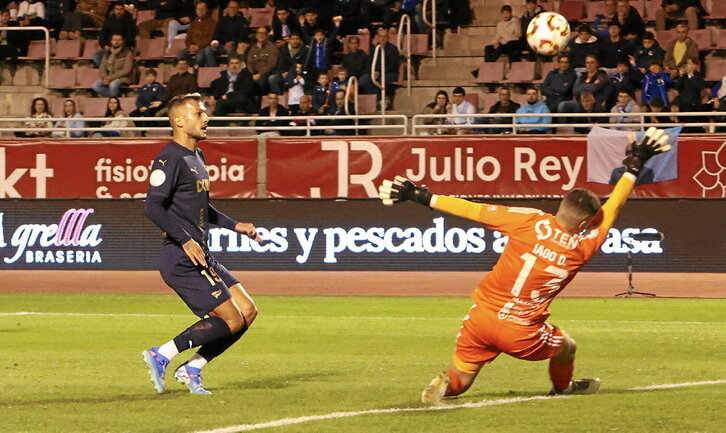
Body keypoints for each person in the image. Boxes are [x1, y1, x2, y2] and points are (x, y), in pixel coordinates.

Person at [377, 128, 672, 404]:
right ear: (583, 223)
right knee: (567, 346)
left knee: (463, 378)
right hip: (520, 330)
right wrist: (634, 165)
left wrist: (420, 195)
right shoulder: (582, 248)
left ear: (562, 205)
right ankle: (563, 389)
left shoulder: (529, 220)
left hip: (481, 317)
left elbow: (474, 210)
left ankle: (445, 383)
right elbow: (613, 208)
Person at [142, 92, 261, 395]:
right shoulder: (169, 158)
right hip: (181, 257)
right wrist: (183, 239)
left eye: (205, 113)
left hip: (201, 253)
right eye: (199, 113)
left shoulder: (197, 156)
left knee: (247, 311)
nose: (206, 118)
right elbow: (152, 206)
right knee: (231, 318)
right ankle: (163, 353)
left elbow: (203, 209)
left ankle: (192, 368)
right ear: (179, 121)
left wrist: (237, 226)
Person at [94, 1, 136, 67]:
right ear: (114, 10)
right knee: (97, 56)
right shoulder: (108, 22)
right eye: (117, 9)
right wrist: (105, 45)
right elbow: (102, 35)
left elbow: (130, 37)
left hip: (123, 48)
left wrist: (120, 45)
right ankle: (107, 70)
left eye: (121, 9)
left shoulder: (130, 22)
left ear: (124, 10)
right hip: (109, 47)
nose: (119, 11)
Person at [92, 33, 134, 98]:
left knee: (113, 85)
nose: (116, 42)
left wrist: (111, 78)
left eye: (119, 40)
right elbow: (102, 67)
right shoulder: (107, 53)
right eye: (114, 40)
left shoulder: (127, 53)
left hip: (122, 78)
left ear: (122, 41)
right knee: (95, 86)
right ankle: (115, 98)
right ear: (111, 41)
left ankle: (113, 100)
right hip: (108, 77)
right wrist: (105, 78)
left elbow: (126, 70)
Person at [176, 1, 216, 67]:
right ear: (196, 10)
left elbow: (210, 38)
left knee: (199, 58)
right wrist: (190, 46)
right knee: (180, 56)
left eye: (202, 9)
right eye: (198, 9)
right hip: (192, 47)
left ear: (206, 10)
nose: (200, 11)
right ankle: (192, 66)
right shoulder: (193, 23)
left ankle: (197, 67)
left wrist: (198, 46)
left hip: (203, 46)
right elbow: (188, 38)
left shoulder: (212, 23)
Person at [247, 26, 279, 96]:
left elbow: (271, 64)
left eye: (263, 33)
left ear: (267, 35)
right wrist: (251, 74)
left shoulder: (272, 48)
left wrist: (259, 74)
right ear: (256, 35)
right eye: (259, 33)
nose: (261, 35)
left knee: (259, 83)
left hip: (265, 74)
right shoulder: (253, 47)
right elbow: (250, 62)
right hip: (254, 73)